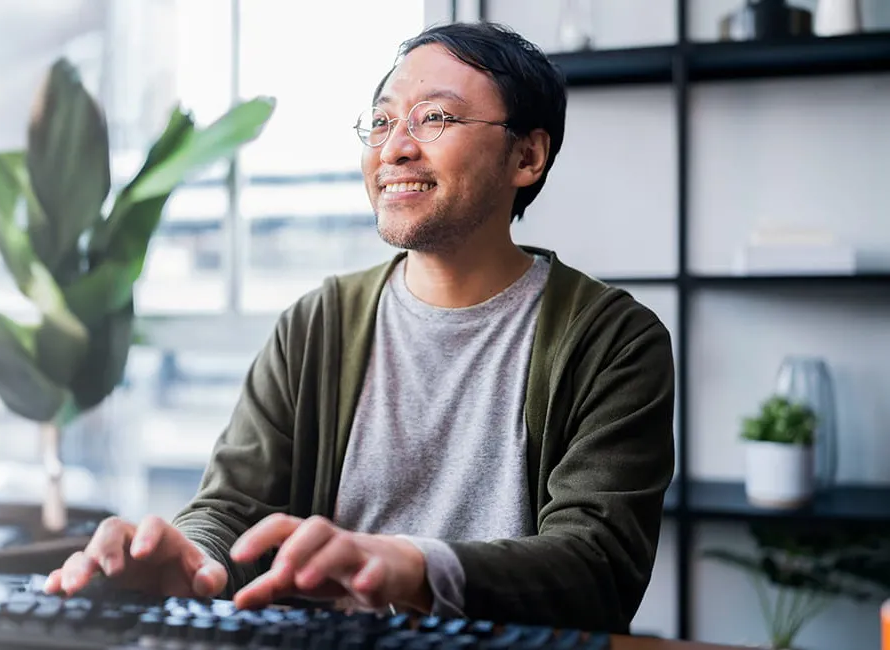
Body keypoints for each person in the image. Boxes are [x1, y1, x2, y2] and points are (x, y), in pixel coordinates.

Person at [43, 20, 675, 635]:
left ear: (527, 156)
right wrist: (194, 565)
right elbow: (233, 507)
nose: (394, 147)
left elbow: (599, 565)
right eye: (380, 120)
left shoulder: (613, 341)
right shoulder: (317, 325)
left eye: (435, 118)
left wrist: (413, 568)